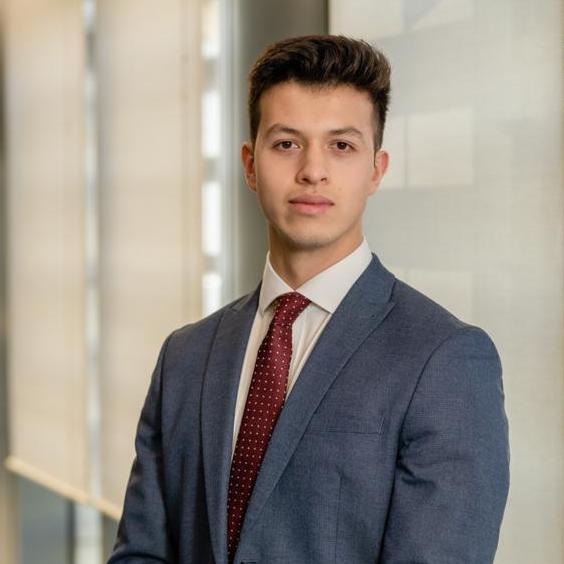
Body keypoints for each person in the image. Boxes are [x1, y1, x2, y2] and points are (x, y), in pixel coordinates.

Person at [107, 35, 509, 564]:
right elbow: (141, 553)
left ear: (376, 170)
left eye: (341, 145)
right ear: (251, 165)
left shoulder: (446, 359)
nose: (312, 171)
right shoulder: (185, 356)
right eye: (286, 143)